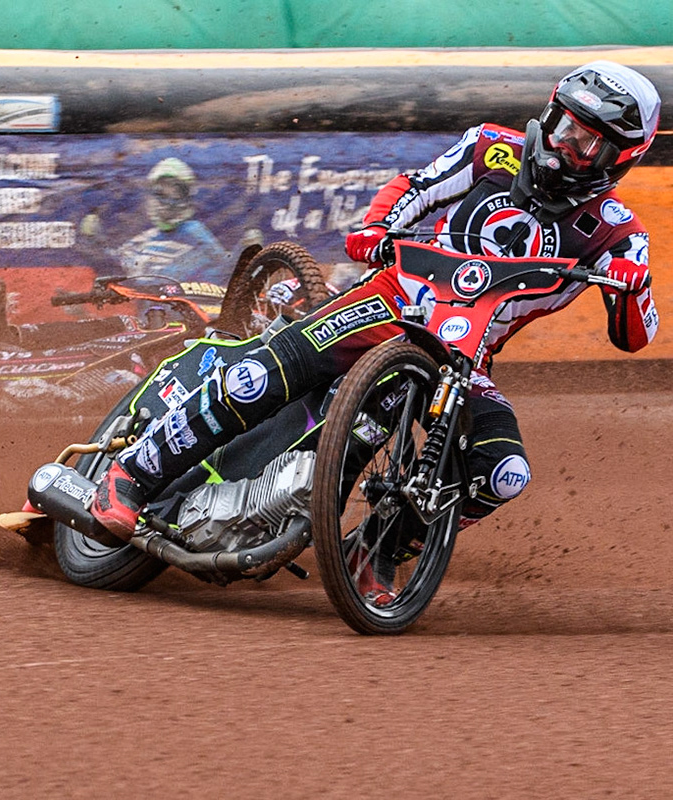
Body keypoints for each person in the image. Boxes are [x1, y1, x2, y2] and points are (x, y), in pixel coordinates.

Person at [89, 61, 661, 603]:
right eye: (564, 125)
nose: (566, 145)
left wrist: (634, 288)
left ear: (619, 160)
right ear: (550, 113)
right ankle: (131, 474)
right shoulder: (493, 147)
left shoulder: (618, 233)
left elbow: (636, 336)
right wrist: (378, 228)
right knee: (262, 373)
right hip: (392, 297)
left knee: (503, 474)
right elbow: (417, 185)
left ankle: (375, 551)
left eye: (589, 143)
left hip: (465, 357)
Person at [114, 157, 231, 285]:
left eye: (175, 194)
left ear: (186, 196)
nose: (167, 202)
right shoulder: (145, 238)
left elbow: (222, 271)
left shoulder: (194, 231)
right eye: (161, 194)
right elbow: (119, 266)